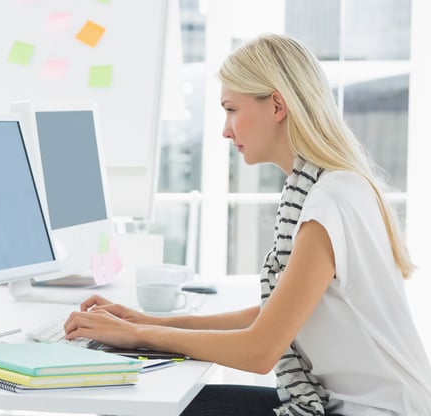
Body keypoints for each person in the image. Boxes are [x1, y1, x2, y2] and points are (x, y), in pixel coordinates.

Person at [63, 33, 431, 415]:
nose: (225, 130)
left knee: (137, 407)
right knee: (148, 402)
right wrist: (148, 322)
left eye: (231, 109)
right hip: (357, 405)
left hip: (379, 411)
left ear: (276, 105)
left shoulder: (329, 199)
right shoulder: (321, 186)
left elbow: (260, 350)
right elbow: (272, 317)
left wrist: (139, 335)